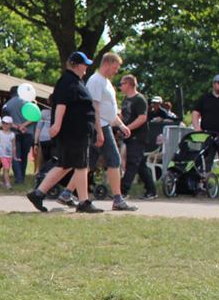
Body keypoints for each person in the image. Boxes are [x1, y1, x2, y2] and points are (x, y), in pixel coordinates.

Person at [26, 52, 102, 213]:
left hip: (77, 131)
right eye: (84, 64)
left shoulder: (76, 81)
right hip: (73, 131)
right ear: (76, 65)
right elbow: (61, 103)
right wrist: (57, 124)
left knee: (65, 165)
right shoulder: (67, 81)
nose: (86, 68)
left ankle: (38, 194)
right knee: (81, 165)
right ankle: (84, 202)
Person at [66, 52, 136, 211]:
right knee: (114, 160)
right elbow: (95, 108)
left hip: (105, 124)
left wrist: (121, 125)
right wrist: (99, 131)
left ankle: (66, 193)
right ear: (107, 63)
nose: (116, 71)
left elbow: (108, 109)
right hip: (100, 126)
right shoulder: (96, 81)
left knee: (87, 164)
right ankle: (117, 199)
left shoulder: (106, 82)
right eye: (115, 67)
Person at [119, 74, 157, 200]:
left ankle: (123, 191)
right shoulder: (125, 100)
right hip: (129, 136)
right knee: (140, 165)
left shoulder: (139, 99)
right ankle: (151, 190)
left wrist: (127, 128)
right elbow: (123, 116)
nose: (120, 86)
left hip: (139, 136)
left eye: (122, 84)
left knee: (132, 162)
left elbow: (142, 118)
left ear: (129, 84)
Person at [2, 85, 36, 185]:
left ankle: (19, 178)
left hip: (14, 133)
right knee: (24, 156)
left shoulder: (7, 105)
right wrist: (23, 125)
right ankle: (23, 176)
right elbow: (34, 117)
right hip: (28, 133)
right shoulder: (28, 103)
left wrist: (17, 127)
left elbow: (5, 121)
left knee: (16, 156)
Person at [0, 116, 17, 189]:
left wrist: (14, 156)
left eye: (7, 123)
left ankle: (3, 182)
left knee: (6, 169)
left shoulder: (12, 134)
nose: (4, 125)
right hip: (2, 154)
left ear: (10, 125)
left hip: (9, 155)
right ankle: (8, 184)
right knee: (6, 168)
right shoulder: (0, 133)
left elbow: (14, 146)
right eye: (3, 123)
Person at [35, 104, 54, 172]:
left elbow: (38, 129)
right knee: (54, 159)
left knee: (44, 159)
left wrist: (35, 143)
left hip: (44, 138)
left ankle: (42, 173)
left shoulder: (43, 112)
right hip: (55, 139)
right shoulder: (60, 111)